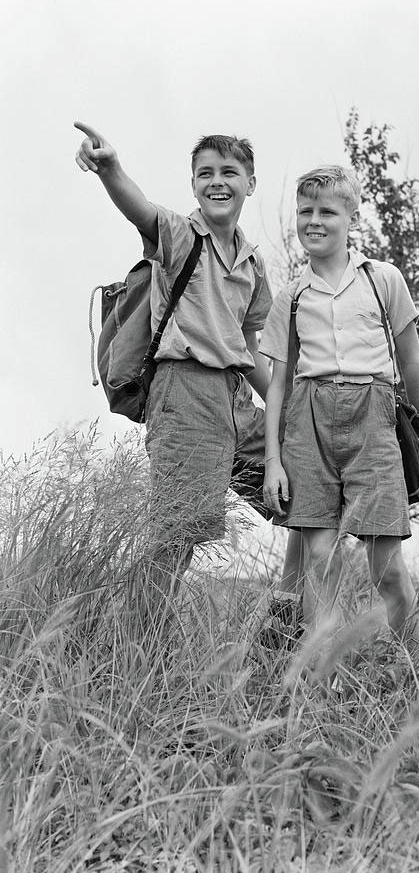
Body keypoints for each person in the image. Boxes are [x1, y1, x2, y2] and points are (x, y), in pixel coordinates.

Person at [74, 122, 307, 633]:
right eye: (206, 173)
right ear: (194, 184)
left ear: (250, 182)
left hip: (234, 397)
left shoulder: (253, 264)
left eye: (230, 172)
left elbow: (248, 347)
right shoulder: (181, 236)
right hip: (184, 390)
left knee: (305, 493)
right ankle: (134, 639)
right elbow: (141, 209)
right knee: (177, 533)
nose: (217, 181)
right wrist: (111, 168)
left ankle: (286, 621)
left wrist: (283, 413)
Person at [258, 165, 419, 658]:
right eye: (305, 211)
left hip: (373, 417)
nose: (314, 221)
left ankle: (413, 670)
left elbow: (412, 363)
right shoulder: (291, 297)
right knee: (318, 558)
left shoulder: (384, 281)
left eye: (327, 212)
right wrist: (274, 461)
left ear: (351, 217)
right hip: (309, 422)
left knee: (387, 566)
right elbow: (277, 386)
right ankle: (318, 676)